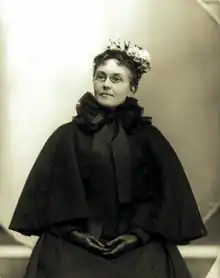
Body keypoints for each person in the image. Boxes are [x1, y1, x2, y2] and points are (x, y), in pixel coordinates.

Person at [9, 39, 207, 278]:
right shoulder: (66, 136)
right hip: (74, 242)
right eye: (100, 77)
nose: (106, 85)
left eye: (116, 79)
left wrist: (136, 236)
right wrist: (75, 235)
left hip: (137, 243)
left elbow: (162, 197)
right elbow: (52, 196)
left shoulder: (149, 140)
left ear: (132, 87)